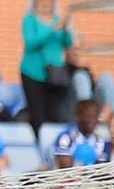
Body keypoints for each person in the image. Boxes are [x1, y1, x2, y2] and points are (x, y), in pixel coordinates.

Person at [19, 0, 73, 138]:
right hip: (32, 74)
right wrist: (53, 28)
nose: (46, 3)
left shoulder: (57, 20)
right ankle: (39, 146)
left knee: (54, 114)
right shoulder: (29, 20)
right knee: (37, 115)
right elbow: (30, 42)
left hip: (54, 76)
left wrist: (65, 28)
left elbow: (67, 42)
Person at [52, 97, 109, 168]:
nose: (92, 120)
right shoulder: (66, 137)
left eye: (94, 116)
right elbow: (65, 168)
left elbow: (101, 169)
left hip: (93, 178)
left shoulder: (102, 140)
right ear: (79, 116)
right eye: (88, 116)